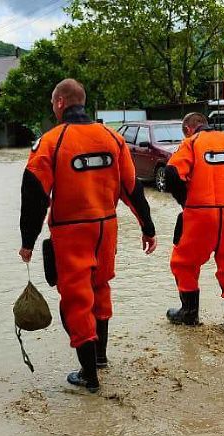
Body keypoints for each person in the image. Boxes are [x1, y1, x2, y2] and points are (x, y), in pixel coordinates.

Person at [18, 78, 157, 393]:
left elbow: (34, 194)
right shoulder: (112, 138)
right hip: (107, 228)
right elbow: (132, 187)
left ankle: (88, 375)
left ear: (59, 104)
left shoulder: (50, 142)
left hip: (71, 231)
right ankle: (101, 358)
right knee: (100, 289)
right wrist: (148, 228)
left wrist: (28, 241)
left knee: (76, 299)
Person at [164, 112, 224, 337]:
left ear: (188, 129)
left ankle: (189, 314)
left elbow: (171, 172)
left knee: (184, 263)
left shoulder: (191, 143)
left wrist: (185, 202)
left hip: (199, 215)